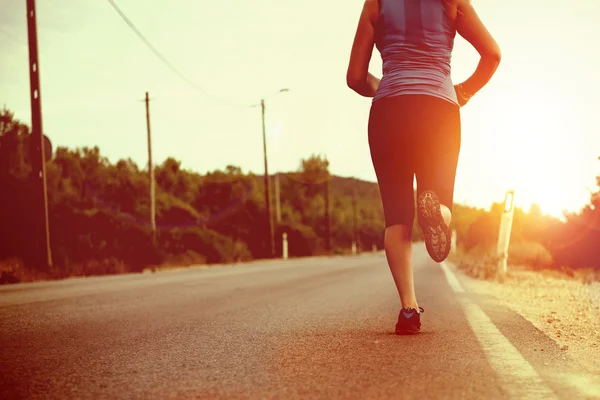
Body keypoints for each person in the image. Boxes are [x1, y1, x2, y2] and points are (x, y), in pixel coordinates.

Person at [346, 0, 501, 334]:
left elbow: (355, 77)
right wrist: (463, 91)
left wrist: (384, 88)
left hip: (389, 110)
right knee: (440, 196)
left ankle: (408, 309)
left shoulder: (377, 3)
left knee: (397, 215)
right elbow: (492, 54)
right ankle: (438, 216)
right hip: (439, 107)